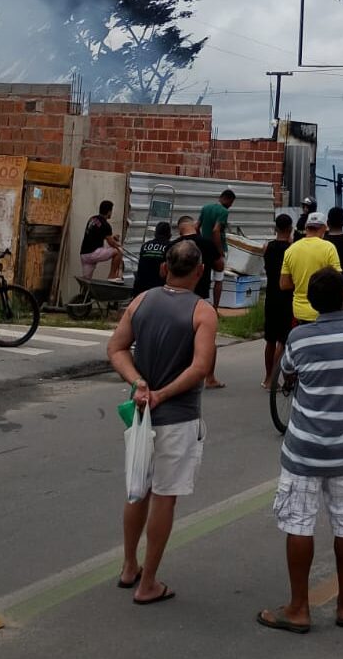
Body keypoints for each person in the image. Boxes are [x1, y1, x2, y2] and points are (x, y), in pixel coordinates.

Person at [257, 268, 343, 634]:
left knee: (299, 525)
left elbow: (288, 372)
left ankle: (298, 608)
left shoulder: (299, 337)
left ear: (311, 302)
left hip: (305, 451)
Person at [107, 241, 217, 605]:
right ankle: (149, 583)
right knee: (164, 497)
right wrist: (163, 394)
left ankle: (129, 566)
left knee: (137, 490)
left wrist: (139, 383)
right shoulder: (203, 312)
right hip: (178, 417)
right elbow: (200, 368)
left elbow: (116, 349)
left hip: (141, 415)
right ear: (200, 271)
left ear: (164, 268)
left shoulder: (141, 301)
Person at [171, 217, 227, 388]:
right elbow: (220, 266)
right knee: (207, 337)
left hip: (176, 297)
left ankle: (176, 373)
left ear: (179, 229)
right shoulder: (207, 244)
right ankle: (210, 377)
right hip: (201, 297)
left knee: (177, 336)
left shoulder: (173, 246)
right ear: (195, 226)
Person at [281, 212, 341, 325]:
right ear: (323, 228)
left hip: (299, 313)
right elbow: (338, 283)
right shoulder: (329, 248)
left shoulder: (291, 250)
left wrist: (301, 282)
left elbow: (284, 284)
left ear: (306, 228)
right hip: (323, 312)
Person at [262, 213, 295, 388]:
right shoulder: (292, 249)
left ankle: (268, 377)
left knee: (270, 340)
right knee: (282, 340)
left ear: (275, 228)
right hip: (286, 297)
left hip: (271, 296)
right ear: (290, 229)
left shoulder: (267, 247)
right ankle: (274, 379)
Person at [80, 200, 124, 282]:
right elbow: (111, 243)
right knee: (119, 251)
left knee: (86, 281)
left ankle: (84, 289)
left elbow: (96, 235)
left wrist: (112, 237)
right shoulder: (106, 225)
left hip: (84, 255)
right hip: (93, 253)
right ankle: (112, 276)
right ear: (109, 211)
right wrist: (119, 246)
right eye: (111, 211)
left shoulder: (92, 219)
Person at [132, 222, 171, 296]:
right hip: (158, 289)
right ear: (169, 234)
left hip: (140, 288)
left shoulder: (145, 245)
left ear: (155, 233)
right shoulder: (170, 246)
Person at [198, 189, 236, 255]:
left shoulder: (205, 208)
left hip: (205, 247)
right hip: (215, 248)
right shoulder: (224, 211)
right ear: (225, 199)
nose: (231, 205)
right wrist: (220, 251)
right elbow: (216, 230)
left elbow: (196, 226)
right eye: (231, 202)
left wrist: (201, 241)